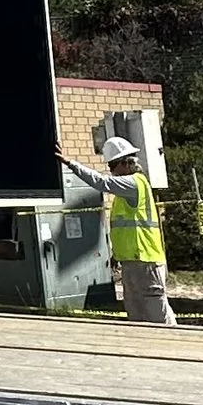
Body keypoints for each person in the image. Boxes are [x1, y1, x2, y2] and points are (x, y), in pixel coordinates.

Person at [59, 133, 176, 325]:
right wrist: (117, 254)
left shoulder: (134, 183)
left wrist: (71, 163)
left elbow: (101, 182)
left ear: (125, 163)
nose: (111, 171)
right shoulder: (125, 191)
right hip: (132, 261)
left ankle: (175, 343)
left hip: (146, 260)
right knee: (135, 310)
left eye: (113, 165)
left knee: (156, 311)